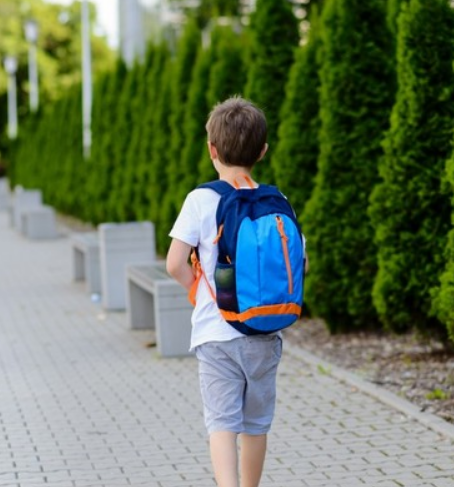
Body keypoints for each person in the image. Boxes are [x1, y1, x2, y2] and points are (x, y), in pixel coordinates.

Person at [166, 96, 291, 487]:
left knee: (222, 423)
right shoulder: (277, 201)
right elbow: (297, 263)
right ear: (263, 151)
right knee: (256, 424)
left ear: (211, 150)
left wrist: (198, 289)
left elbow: (174, 262)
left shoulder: (201, 200)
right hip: (264, 331)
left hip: (215, 332)